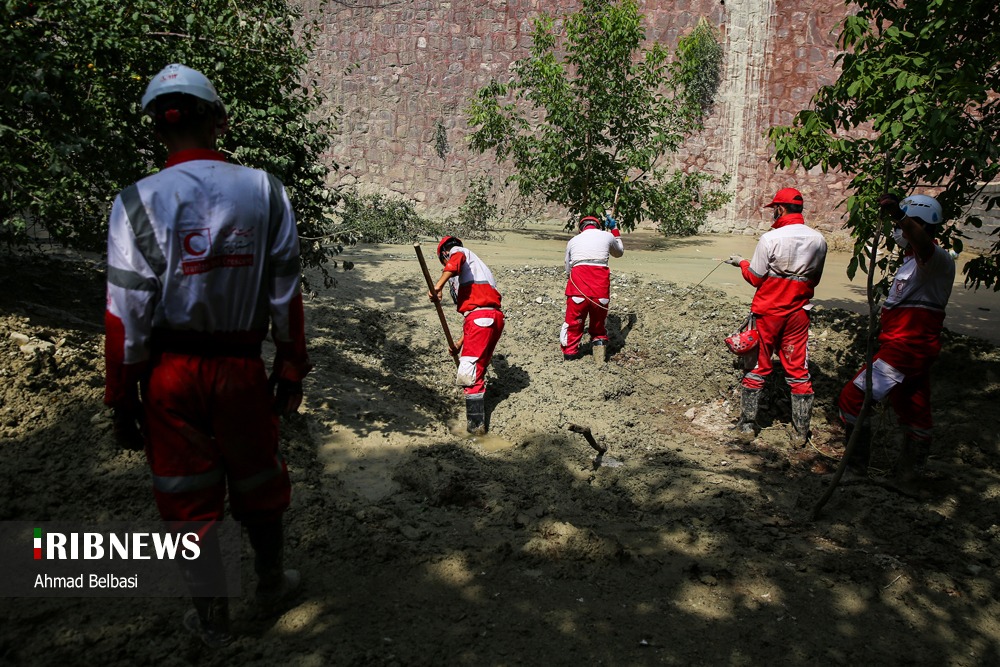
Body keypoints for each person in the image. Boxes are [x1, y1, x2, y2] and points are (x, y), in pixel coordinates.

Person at [104, 64, 311, 647]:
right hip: (241, 369)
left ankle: (213, 620)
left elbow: (125, 314)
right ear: (218, 119)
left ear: (157, 129)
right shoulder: (265, 191)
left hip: (170, 377)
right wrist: (290, 365)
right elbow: (286, 293)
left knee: (183, 495)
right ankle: (271, 583)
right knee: (260, 477)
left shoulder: (135, 203)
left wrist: (122, 399)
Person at [838, 193, 955, 479]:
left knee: (853, 398)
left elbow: (924, 244)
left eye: (906, 225)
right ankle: (909, 477)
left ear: (921, 225)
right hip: (907, 348)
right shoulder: (912, 262)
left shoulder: (935, 258)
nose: (898, 232)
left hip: (907, 349)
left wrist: (899, 215)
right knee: (913, 410)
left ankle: (855, 469)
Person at [725, 188, 827, 444]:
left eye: (774, 209)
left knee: (757, 365)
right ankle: (800, 433)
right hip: (798, 314)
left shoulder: (770, 239)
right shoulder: (818, 240)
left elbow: (756, 278)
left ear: (780, 209)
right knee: (798, 370)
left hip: (768, 313)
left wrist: (742, 263)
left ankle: (747, 425)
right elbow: (815, 279)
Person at [428, 236, 504, 435]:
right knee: (478, 367)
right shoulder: (479, 267)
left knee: (469, 375)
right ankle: (478, 422)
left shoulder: (458, 252)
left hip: (481, 319)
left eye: (444, 262)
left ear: (445, 254)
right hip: (493, 319)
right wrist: (460, 343)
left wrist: (438, 286)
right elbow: (477, 316)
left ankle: (476, 429)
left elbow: (456, 259)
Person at [562, 215, 625, 362]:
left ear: (580, 229)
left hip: (577, 291)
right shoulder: (608, 236)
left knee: (573, 324)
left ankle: (570, 357)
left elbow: (567, 268)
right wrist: (614, 230)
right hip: (600, 291)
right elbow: (619, 252)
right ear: (598, 226)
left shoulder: (573, 241)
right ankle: (599, 358)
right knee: (599, 326)